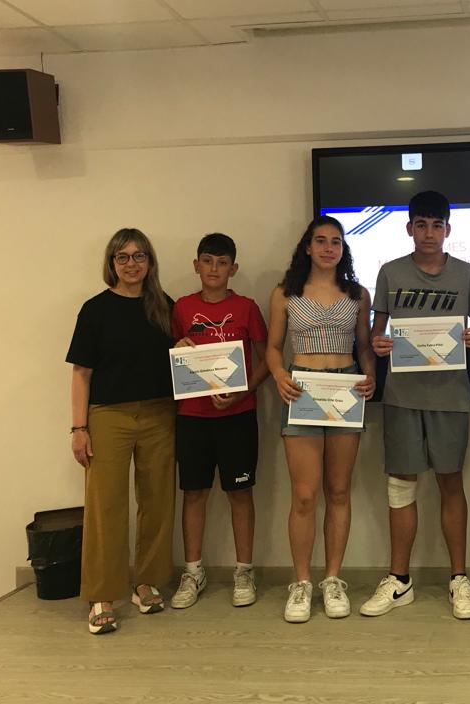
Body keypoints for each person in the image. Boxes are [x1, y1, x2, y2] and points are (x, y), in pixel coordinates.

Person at [357, 191, 470, 620]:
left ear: (448, 229)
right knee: (401, 486)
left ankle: (459, 578)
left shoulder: (466, 273)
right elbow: (376, 334)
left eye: (437, 225)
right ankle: (400, 580)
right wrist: (379, 344)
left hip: (450, 396)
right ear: (409, 228)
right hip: (402, 396)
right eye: (421, 224)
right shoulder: (390, 272)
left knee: (451, 483)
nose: (429, 233)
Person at [66, 228, 176, 635]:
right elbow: (81, 373)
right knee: (106, 505)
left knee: (157, 501)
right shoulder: (95, 310)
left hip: (160, 414)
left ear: (150, 262)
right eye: (123, 257)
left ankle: (145, 583)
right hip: (108, 416)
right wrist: (79, 428)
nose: (132, 264)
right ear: (112, 263)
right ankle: (101, 594)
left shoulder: (165, 307)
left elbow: (184, 359)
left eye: (139, 256)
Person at [267, 216, 375, 623]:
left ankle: (332, 580)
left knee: (339, 491)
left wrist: (371, 376)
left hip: (346, 390)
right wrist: (279, 375)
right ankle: (301, 583)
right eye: (321, 240)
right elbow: (273, 347)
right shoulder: (285, 293)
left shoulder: (358, 294)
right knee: (305, 495)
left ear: (343, 249)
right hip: (303, 392)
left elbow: (364, 347)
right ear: (308, 247)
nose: (329, 248)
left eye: (336, 242)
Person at [168, 233, 269, 610]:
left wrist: (242, 393)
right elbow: (173, 355)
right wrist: (176, 348)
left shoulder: (247, 308)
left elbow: (266, 361)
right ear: (196, 265)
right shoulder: (181, 308)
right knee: (194, 492)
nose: (214, 268)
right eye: (207, 261)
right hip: (192, 417)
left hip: (238, 416)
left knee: (240, 493)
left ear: (233, 268)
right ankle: (193, 571)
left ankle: (244, 571)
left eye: (222, 262)